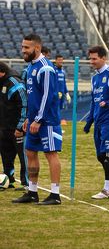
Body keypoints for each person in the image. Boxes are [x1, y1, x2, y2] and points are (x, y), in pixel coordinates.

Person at [12, 34, 62, 205]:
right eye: (22, 47)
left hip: (47, 121)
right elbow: (32, 97)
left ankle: (55, 195)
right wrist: (28, 118)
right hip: (33, 120)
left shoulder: (45, 68)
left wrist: (39, 119)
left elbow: (48, 96)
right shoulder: (30, 68)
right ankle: (32, 192)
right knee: (30, 153)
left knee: (50, 153)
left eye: (27, 47)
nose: (23, 51)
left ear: (37, 48)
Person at [83, 45, 109, 199]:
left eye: (94, 59)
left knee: (107, 155)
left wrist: (108, 103)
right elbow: (94, 102)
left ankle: (107, 189)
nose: (91, 62)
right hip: (99, 122)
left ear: (103, 58)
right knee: (100, 156)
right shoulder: (95, 78)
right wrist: (89, 122)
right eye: (90, 58)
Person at [0, 61, 28, 190]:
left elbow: (24, 106)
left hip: (17, 127)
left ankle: (27, 183)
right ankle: (8, 179)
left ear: (2, 73)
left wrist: (20, 127)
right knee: (6, 154)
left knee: (24, 156)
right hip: (4, 126)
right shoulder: (2, 81)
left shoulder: (15, 83)